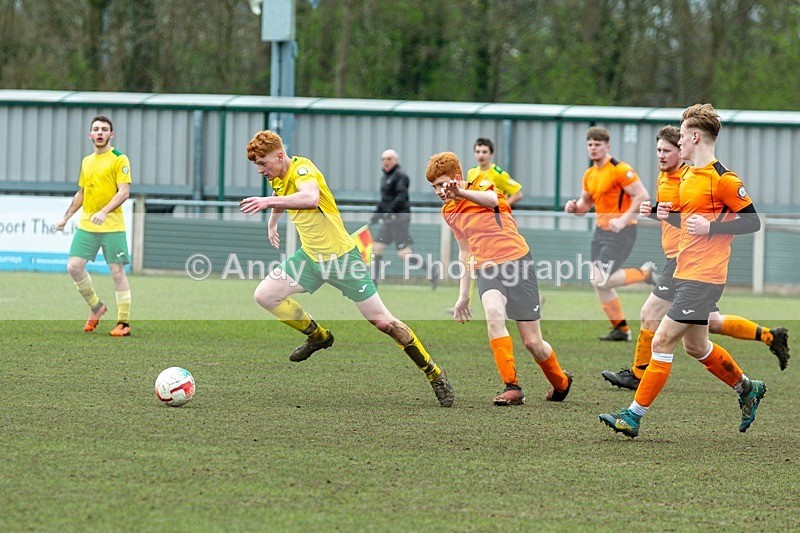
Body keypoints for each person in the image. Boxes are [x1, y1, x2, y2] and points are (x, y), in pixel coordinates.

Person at [239, 130, 454, 407]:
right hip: (310, 259)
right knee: (265, 295)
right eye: (256, 165)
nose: (260, 170)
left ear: (280, 156)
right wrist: (272, 221)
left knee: (385, 323)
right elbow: (281, 194)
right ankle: (318, 336)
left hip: (343, 260)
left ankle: (434, 373)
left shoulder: (303, 170)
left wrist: (268, 203)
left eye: (263, 163)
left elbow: (309, 199)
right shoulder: (278, 176)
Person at [600, 103, 767, 438]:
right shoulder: (689, 174)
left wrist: (712, 228)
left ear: (694, 136)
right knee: (696, 347)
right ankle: (747, 388)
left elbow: (753, 221)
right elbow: (690, 220)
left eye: (682, 134)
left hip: (705, 276)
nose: (678, 142)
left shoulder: (724, 179)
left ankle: (633, 416)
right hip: (684, 271)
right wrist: (659, 214)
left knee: (662, 340)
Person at [426, 151, 572, 405]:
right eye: (433, 187)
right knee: (494, 314)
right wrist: (463, 296)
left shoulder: (481, 184)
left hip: (518, 263)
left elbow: (491, 199)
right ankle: (512, 386)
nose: (438, 191)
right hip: (487, 268)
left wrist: (460, 192)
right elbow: (465, 250)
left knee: (533, 343)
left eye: (441, 184)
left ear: (457, 178)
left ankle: (561, 382)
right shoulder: (449, 211)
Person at [564, 126, 657, 341]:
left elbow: (642, 195)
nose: (593, 148)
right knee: (598, 282)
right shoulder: (589, 174)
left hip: (622, 232)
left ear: (607, 147)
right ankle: (621, 330)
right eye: (590, 144)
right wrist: (573, 208)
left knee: (601, 280)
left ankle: (645, 274)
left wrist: (623, 219)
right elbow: (585, 205)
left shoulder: (619, 168)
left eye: (597, 145)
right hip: (601, 232)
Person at [55, 115, 132, 337]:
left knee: (117, 272)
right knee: (74, 266)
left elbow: (124, 192)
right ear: (90, 134)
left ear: (111, 134)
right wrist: (65, 217)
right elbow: (82, 193)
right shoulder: (87, 161)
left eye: (104, 129)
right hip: (88, 225)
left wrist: (104, 211)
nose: (100, 132)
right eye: (96, 129)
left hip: (113, 226)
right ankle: (96, 307)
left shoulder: (119, 159)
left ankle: (123, 323)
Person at [369, 149, 435, 289]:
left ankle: (431, 270)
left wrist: (388, 211)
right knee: (377, 247)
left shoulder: (401, 176)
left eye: (389, 159)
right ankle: (373, 282)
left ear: (395, 161)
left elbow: (401, 197)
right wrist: (376, 215)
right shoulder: (384, 178)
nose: (385, 162)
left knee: (403, 253)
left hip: (399, 219)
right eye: (383, 159)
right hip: (388, 220)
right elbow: (384, 200)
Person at [468, 137, 523, 206]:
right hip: (478, 215)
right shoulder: (471, 172)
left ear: (491, 154)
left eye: (484, 152)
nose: (481, 155)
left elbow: (518, 194)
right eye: (478, 152)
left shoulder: (498, 174)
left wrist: (501, 208)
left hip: (494, 215)